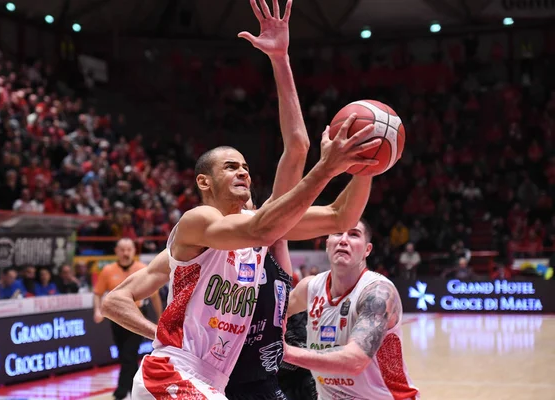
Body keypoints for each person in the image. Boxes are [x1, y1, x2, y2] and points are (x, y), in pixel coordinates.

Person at [102, 3, 380, 399]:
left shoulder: (258, 229)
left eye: (246, 166)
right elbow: (262, 226)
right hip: (174, 372)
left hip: (220, 379)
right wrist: (163, 336)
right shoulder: (198, 222)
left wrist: (365, 163)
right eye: (231, 167)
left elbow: (341, 213)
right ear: (204, 181)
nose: (243, 172)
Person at [286, 220, 419, 400]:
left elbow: (354, 361)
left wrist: (285, 352)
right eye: (338, 233)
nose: (343, 240)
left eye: (354, 234)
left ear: (367, 250)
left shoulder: (378, 292)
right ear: (327, 245)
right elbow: (274, 313)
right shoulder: (310, 287)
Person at [93, 238, 163, 400]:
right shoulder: (108, 270)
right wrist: (97, 310)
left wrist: (160, 318)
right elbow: (98, 294)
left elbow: (155, 296)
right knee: (124, 355)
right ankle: (133, 389)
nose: (125, 253)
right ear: (116, 251)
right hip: (116, 317)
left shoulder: (143, 269)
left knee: (129, 355)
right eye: (122, 249)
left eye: (129, 249)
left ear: (134, 251)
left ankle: (122, 392)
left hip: (136, 314)